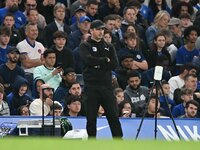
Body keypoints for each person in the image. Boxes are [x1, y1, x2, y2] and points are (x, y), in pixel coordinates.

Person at [79, 19, 123, 138]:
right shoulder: (85, 45)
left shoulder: (109, 46)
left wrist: (97, 63)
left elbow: (114, 64)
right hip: (91, 87)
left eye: (102, 29)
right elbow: (87, 60)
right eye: (98, 29)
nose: (101, 32)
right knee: (91, 118)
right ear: (91, 30)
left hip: (107, 86)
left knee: (113, 116)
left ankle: (119, 142)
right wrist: (104, 60)